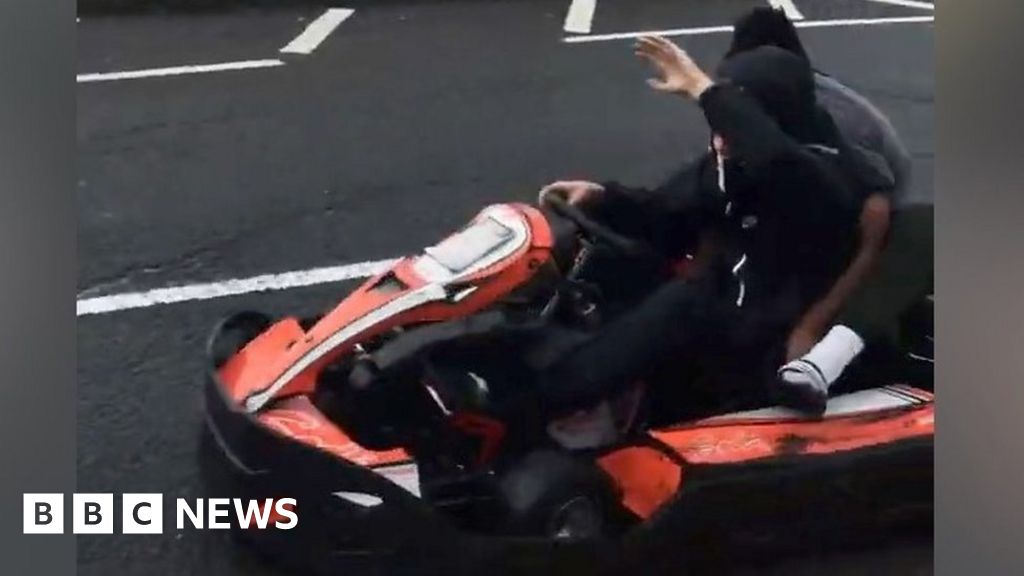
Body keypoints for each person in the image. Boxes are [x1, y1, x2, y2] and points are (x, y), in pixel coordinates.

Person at [534, 39, 866, 418]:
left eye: (733, 118)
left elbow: (779, 161)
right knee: (604, 255)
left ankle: (543, 402)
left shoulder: (820, 180)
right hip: (722, 299)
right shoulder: (726, 167)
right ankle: (522, 347)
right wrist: (602, 198)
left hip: (763, 327)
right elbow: (666, 212)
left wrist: (703, 89)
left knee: (683, 303)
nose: (720, 135)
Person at [717, 7, 933, 413]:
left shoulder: (834, 132)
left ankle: (831, 353)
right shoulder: (765, 114)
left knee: (922, 228)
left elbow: (877, 212)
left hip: (849, 240)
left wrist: (811, 325)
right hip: (805, 245)